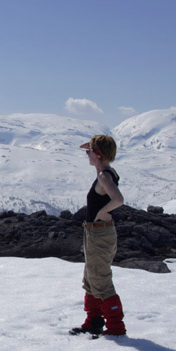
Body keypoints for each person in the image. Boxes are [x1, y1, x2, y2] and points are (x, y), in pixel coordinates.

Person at [70, 135, 127, 337]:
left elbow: (118, 199)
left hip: (99, 233)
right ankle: (93, 322)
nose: (87, 155)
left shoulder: (104, 176)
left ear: (97, 154)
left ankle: (115, 328)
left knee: (100, 280)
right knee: (91, 278)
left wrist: (103, 212)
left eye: (89, 151)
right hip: (97, 232)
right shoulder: (107, 173)